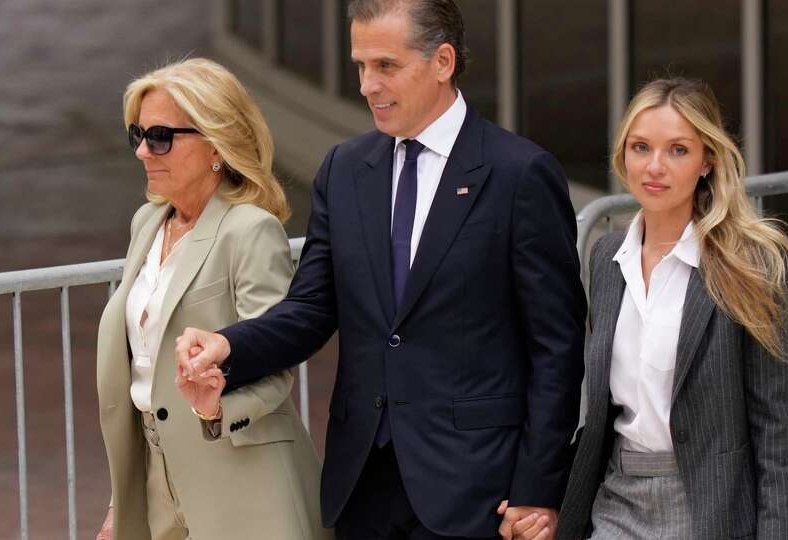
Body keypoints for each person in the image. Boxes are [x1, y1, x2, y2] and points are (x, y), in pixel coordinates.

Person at [174, 1, 587, 538]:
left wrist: (539, 490)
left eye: (386, 66)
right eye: (361, 66)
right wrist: (229, 347)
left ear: (442, 62)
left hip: (478, 488)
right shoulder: (345, 169)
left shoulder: (520, 174)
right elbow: (310, 309)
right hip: (363, 484)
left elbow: (556, 347)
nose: (368, 85)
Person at [549, 78, 788, 539]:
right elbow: (602, 415)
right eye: (641, 147)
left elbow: (775, 430)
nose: (655, 166)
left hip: (709, 508)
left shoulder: (755, 264)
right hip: (617, 500)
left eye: (678, 150)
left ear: (707, 160)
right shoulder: (607, 259)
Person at [95, 58, 330, 540]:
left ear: (215, 145)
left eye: (160, 136)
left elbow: (276, 364)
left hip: (245, 480)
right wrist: (123, 501)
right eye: (137, 134)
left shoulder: (250, 231)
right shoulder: (147, 223)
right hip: (160, 483)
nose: (142, 151)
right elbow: (145, 372)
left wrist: (215, 407)